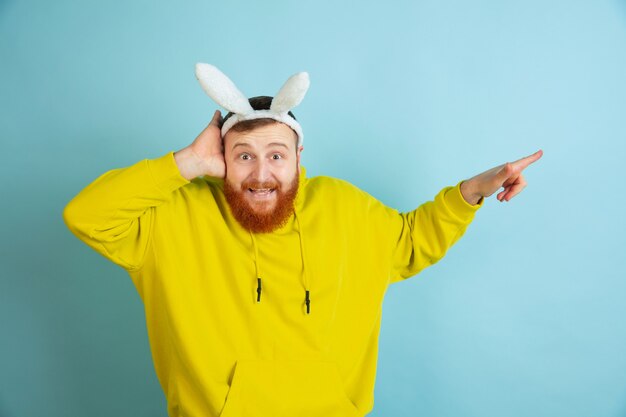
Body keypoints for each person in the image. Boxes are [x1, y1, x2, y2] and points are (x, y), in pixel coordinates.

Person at [63, 63, 543, 417]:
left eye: (276, 155)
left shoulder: (341, 206)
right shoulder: (173, 216)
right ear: (219, 157)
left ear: (299, 156)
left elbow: (411, 239)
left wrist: (475, 190)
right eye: (243, 156)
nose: (261, 174)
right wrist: (186, 162)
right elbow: (85, 216)